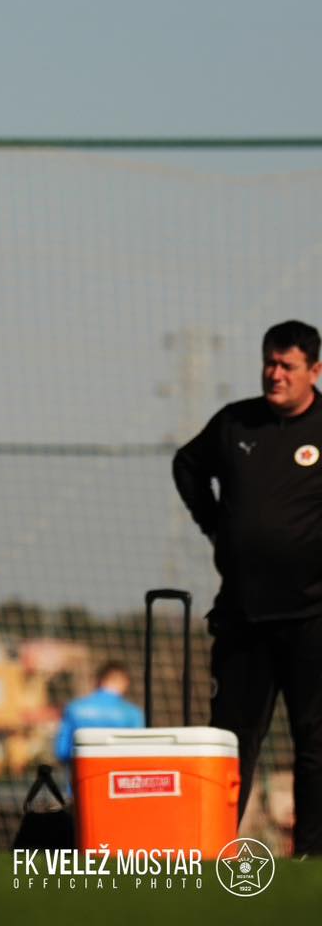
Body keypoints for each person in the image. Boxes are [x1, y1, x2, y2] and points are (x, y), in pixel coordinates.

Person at [173, 319, 322, 856]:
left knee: (315, 743)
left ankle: (310, 856)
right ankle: (216, 848)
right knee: (230, 743)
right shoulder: (236, 423)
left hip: (312, 618)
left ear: (315, 371)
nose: (275, 374)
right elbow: (186, 466)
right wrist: (215, 524)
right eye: (269, 362)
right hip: (243, 615)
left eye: (287, 365)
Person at [52, 661, 144, 773]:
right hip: (118, 778)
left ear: (98, 680)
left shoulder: (75, 708)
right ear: (124, 682)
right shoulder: (132, 713)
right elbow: (138, 751)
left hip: (81, 776)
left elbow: (62, 750)